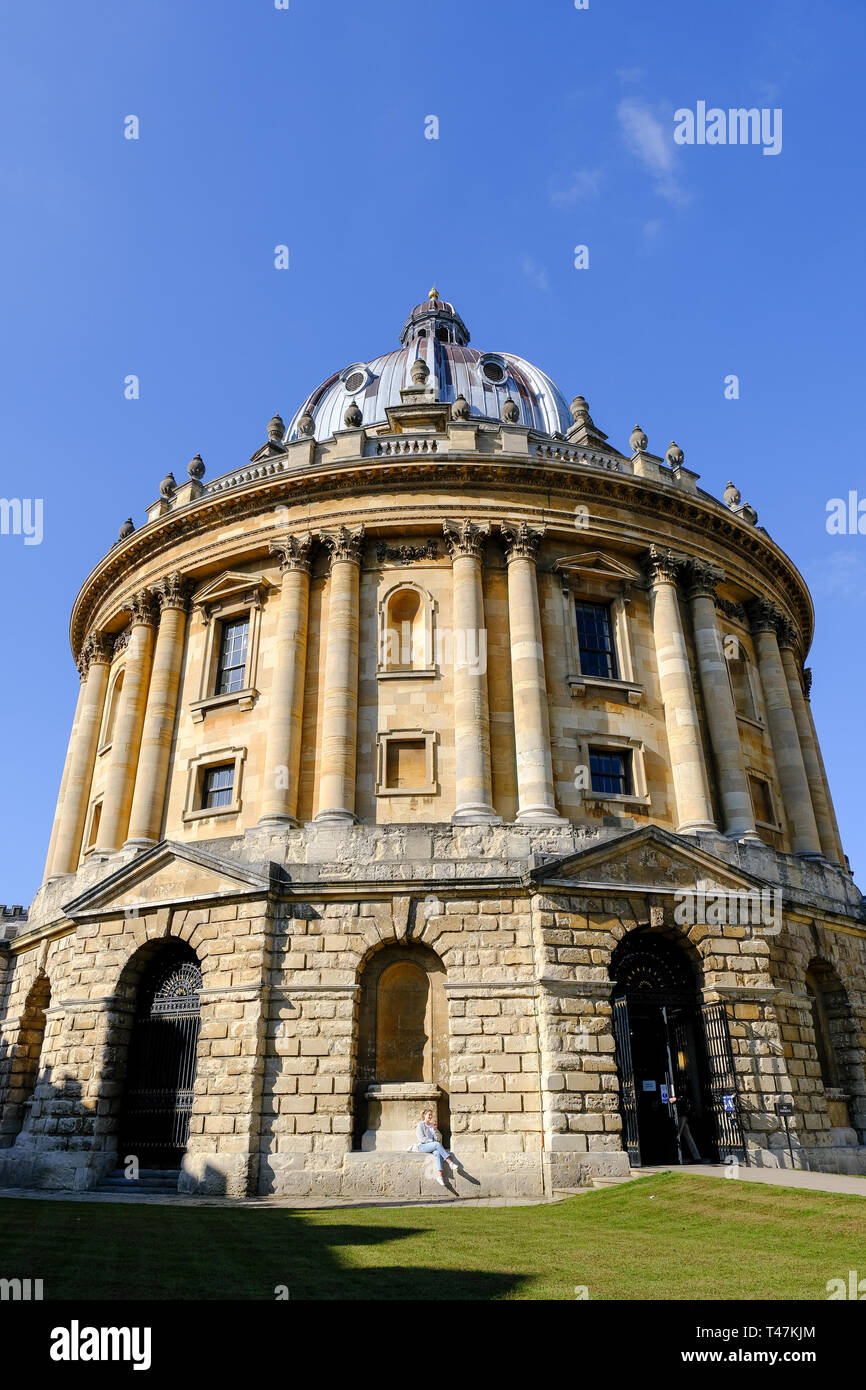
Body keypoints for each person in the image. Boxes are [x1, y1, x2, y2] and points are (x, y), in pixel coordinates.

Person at [415, 1108, 458, 1187]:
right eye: (429, 1115)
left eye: (431, 1115)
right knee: (437, 1144)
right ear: (424, 1115)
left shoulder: (431, 1125)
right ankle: (450, 1162)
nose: (430, 1116)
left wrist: (434, 1130)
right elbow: (421, 1139)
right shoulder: (420, 1125)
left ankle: (440, 1176)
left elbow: (438, 1138)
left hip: (432, 1146)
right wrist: (432, 1141)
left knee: (438, 1153)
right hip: (422, 1146)